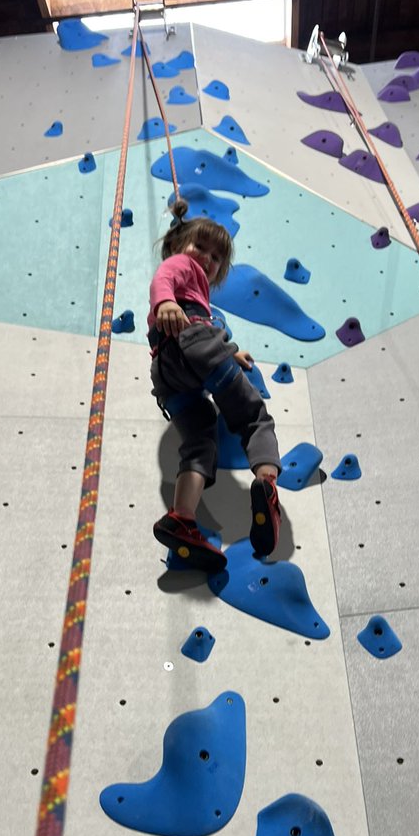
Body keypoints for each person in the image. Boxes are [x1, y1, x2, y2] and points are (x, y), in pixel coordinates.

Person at [148, 200, 282, 573]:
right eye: (200, 247)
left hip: (168, 374)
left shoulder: (198, 293)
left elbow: (199, 338)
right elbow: (164, 280)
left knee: (200, 440)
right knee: (252, 415)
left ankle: (182, 518)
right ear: (177, 245)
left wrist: (230, 354)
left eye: (217, 257)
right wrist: (165, 304)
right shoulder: (180, 265)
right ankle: (267, 483)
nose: (207, 258)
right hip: (193, 342)